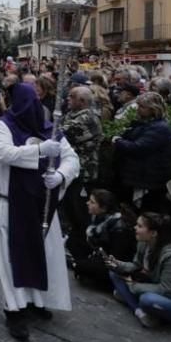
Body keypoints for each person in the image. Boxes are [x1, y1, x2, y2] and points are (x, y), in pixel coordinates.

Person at [0, 82, 80, 342]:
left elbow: (73, 159)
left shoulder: (51, 129)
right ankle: (14, 309)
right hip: (11, 203)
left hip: (43, 205)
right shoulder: (1, 126)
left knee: (44, 254)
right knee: (11, 257)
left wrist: (60, 174)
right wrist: (39, 150)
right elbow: (3, 153)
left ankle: (36, 300)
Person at [106, 213, 171, 333]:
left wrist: (134, 286)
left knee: (147, 299)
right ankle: (140, 311)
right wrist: (117, 264)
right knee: (115, 273)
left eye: (139, 226)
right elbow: (136, 265)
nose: (135, 228)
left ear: (154, 233)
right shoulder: (144, 243)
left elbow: (168, 290)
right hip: (158, 285)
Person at [59, 85, 103, 259]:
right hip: (72, 169)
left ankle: (81, 250)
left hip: (83, 171)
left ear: (82, 101)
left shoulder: (87, 117)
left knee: (78, 211)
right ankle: (72, 244)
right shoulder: (73, 114)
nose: (68, 100)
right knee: (69, 208)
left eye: (71, 97)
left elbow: (60, 132)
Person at [112, 92, 171, 213]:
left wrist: (118, 141)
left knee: (142, 210)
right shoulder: (145, 123)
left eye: (141, 106)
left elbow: (138, 147)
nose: (138, 109)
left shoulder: (159, 128)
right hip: (138, 173)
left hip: (147, 177)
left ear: (153, 109)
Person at [71, 189, 135, 290]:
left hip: (115, 264)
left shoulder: (119, 227)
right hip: (101, 256)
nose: (87, 203)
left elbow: (116, 258)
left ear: (104, 208)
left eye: (92, 202)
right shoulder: (98, 219)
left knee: (81, 266)